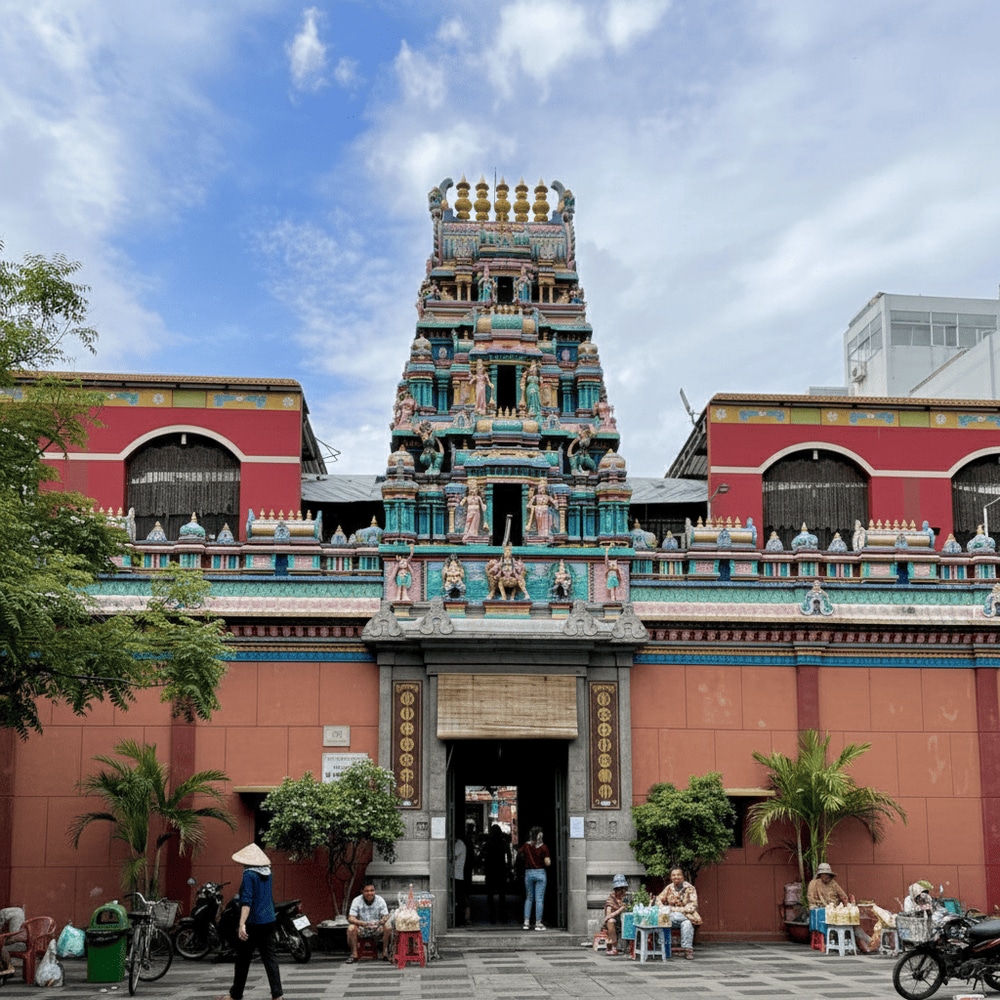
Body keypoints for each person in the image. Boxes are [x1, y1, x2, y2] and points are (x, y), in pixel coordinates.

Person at [225, 843, 283, 1000]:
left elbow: (247, 901)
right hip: (269, 920)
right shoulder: (268, 873)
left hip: (253, 923)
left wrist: (241, 923)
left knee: (243, 960)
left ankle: (235, 994)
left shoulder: (249, 874)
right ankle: (277, 995)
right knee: (270, 959)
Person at [656, 867, 701, 960]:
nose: (676, 877)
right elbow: (658, 899)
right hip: (671, 917)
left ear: (683, 876)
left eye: (678, 874)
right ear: (671, 877)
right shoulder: (669, 888)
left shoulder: (690, 888)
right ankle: (663, 947)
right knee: (663, 919)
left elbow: (692, 906)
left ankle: (688, 950)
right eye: (673, 875)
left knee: (687, 923)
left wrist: (673, 909)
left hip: (685, 915)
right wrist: (662, 907)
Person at [346, 882, 391, 963]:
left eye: (372, 890)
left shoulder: (380, 900)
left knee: (388, 926)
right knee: (351, 928)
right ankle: (354, 955)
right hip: (362, 927)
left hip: (377, 927)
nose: (370, 893)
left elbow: (386, 915)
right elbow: (351, 918)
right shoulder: (356, 901)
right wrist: (362, 923)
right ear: (362, 891)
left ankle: (385, 952)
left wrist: (381, 921)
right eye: (367, 891)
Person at [518, 826, 550, 930]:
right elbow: (547, 863)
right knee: (539, 899)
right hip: (540, 872)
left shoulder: (526, 846)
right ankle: (538, 923)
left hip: (529, 873)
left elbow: (519, 853)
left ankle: (526, 922)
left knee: (529, 898)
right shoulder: (544, 847)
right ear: (539, 834)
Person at [485, 824, 511, 924]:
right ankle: (503, 917)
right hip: (501, 870)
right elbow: (509, 856)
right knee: (502, 895)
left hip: (490, 870)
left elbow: (483, 855)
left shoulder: (488, 843)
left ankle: (492, 917)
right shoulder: (503, 843)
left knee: (490, 895)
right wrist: (509, 868)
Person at [602, 874, 628, 956]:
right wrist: (621, 909)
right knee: (611, 921)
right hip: (615, 922)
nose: (622, 892)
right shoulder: (611, 899)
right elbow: (608, 916)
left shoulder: (626, 898)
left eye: (623, 889)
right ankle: (613, 946)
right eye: (619, 889)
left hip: (625, 920)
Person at [453, 831, 470, 926]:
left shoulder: (460, 844)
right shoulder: (458, 843)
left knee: (460, 897)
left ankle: (466, 917)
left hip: (457, 874)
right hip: (455, 874)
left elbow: (453, 855)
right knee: (458, 897)